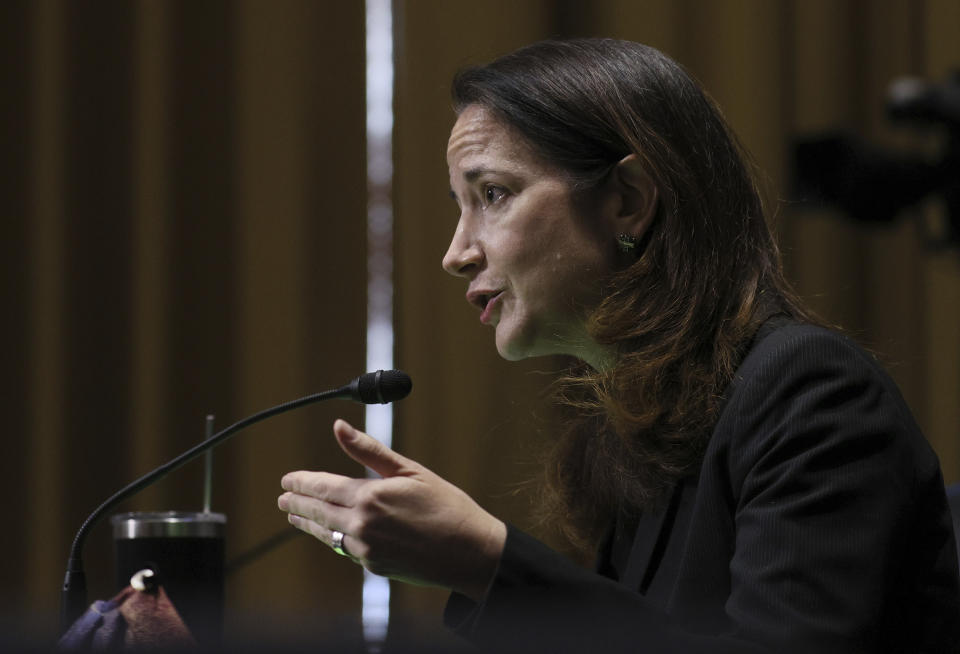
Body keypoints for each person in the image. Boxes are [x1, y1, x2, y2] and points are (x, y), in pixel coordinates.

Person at [277, 39, 960, 652]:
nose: (457, 253)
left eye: (493, 194)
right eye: (461, 204)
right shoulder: (639, 423)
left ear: (628, 199)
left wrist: (489, 564)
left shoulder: (809, 389)